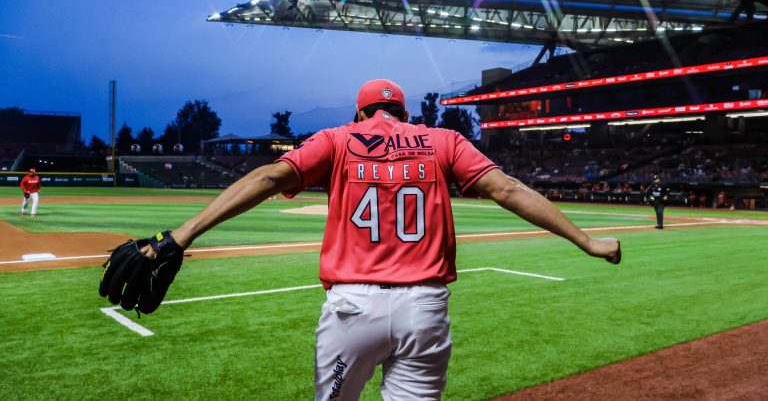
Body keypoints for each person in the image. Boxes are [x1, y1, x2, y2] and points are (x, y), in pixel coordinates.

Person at [138, 79, 621, 400]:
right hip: (424, 312)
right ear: (405, 112)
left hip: (353, 310)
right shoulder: (442, 141)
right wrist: (588, 242)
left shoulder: (338, 137)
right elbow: (509, 190)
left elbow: (267, 179)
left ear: (361, 110)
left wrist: (181, 236)